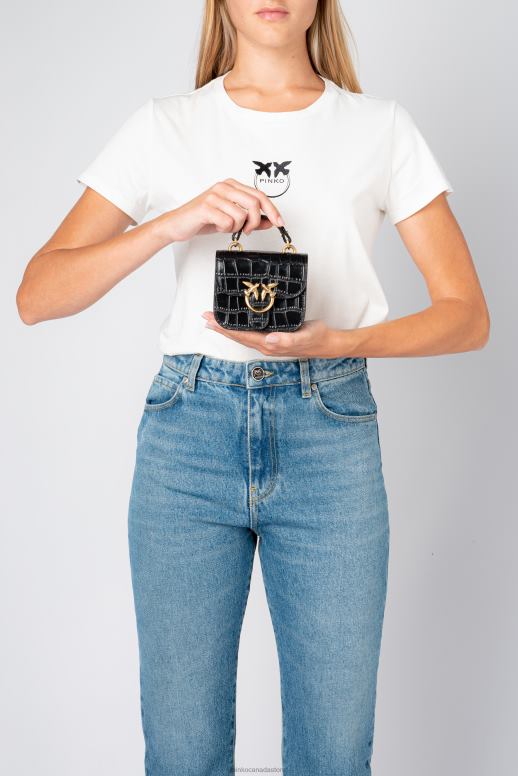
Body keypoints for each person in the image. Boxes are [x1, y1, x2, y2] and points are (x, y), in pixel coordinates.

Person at [16, 1, 490, 774]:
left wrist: (338, 342)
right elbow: (37, 296)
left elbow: (467, 316)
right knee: (183, 751)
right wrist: (172, 223)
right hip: (188, 436)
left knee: (334, 752)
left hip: (330, 431)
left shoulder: (379, 127)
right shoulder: (165, 126)